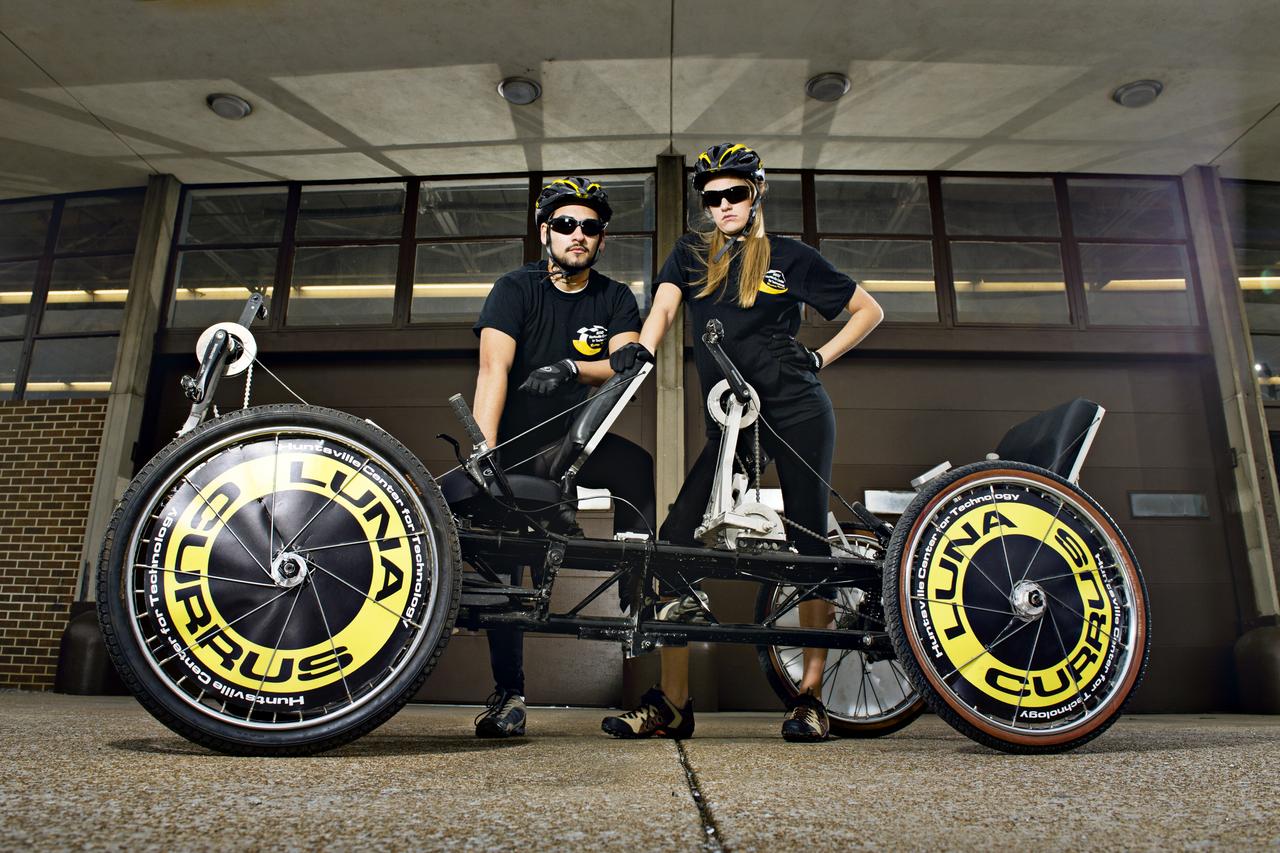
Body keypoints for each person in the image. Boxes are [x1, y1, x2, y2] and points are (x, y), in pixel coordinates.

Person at [600, 144, 884, 741]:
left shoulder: (789, 256)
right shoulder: (691, 254)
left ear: (756, 194)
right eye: (713, 197)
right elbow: (664, 309)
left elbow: (867, 310)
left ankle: (809, 699)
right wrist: (640, 350)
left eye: (736, 193)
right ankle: (673, 703)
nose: (724, 205)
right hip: (733, 421)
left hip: (798, 410)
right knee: (675, 539)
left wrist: (819, 357)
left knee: (809, 545)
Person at [469, 176, 656, 737]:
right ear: (545, 232)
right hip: (519, 446)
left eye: (590, 227)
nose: (578, 234)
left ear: (602, 238)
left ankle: (636, 581)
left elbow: (627, 361)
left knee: (636, 467)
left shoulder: (614, 297)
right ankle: (510, 696)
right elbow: (493, 369)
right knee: (508, 566)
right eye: (566, 224)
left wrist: (574, 368)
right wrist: (485, 455)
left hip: (577, 442)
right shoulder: (514, 289)